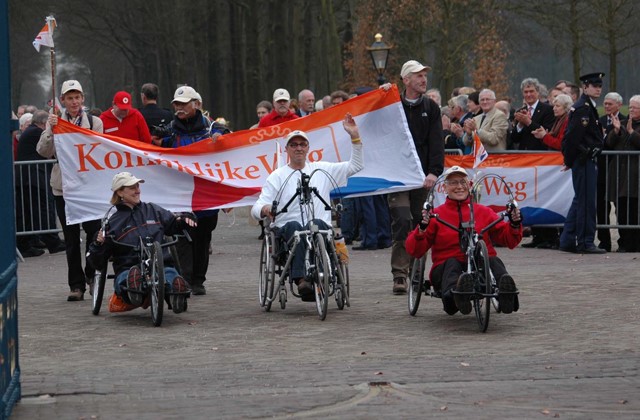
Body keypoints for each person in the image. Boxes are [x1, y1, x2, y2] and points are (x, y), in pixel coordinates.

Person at [251, 114, 363, 300]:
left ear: (308, 148)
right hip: (289, 231)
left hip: (320, 230)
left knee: (317, 223)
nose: (298, 148)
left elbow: (356, 165)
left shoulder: (322, 170)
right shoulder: (277, 176)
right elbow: (257, 207)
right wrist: (265, 209)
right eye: (294, 145)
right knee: (296, 227)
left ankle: (323, 273)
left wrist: (355, 136)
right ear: (287, 149)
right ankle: (301, 279)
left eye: (302, 145)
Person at [405, 166, 522, 315]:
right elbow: (415, 250)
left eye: (462, 182)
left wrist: (514, 224)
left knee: (493, 261)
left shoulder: (483, 212)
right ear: (445, 187)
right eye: (453, 183)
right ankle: (456, 297)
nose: (459, 186)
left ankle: (507, 296)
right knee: (452, 264)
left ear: (470, 185)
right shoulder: (436, 215)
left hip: (480, 265)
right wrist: (421, 228)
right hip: (447, 268)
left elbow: (509, 240)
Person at [153, 85, 226, 295]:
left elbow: (229, 139)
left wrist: (221, 136)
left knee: (203, 239)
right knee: (184, 236)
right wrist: (156, 141)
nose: (180, 108)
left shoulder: (211, 128)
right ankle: (184, 279)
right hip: (180, 194)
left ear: (197, 104)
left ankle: (198, 280)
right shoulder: (170, 130)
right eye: (177, 104)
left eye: (184, 104)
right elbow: (156, 151)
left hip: (206, 194)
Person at [88, 172, 196, 313]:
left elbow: (173, 224)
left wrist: (186, 219)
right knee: (128, 277)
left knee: (170, 276)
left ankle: (176, 292)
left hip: (161, 265)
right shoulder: (112, 223)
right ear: (120, 192)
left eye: (137, 186)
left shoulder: (153, 210)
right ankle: (134, 290)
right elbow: (97, 262)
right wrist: (98, 244)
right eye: (132, 187)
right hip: (128, 266)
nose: (137, 190)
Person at [37, 79, 104, 301]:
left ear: (82, 99)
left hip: (88, 187)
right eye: (69, 98)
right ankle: (76, 285)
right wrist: (51, 130)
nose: (74, 102)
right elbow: (43, 151)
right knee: (71, 238)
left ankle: (91, 273)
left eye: (77, 97)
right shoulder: (54, 122)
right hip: (63, 188)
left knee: (95, 234)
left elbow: (100, 149)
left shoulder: (94, 122)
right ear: (63, 101)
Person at [380, 60, 444, 294]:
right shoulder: (392, 105)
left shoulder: (432, 107)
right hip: (397, 174)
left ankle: (417, 273)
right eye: (417, 76)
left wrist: (434, 171)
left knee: (421, 223)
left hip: (421, 176)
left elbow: (437, 142)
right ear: (406, 80)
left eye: (425, 75)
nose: (423, 79)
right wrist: (380, 95)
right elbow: (370, 119)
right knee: (401, 218)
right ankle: (400, 273)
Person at [559, 72, 607, 254]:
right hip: (584, 160)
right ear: (585, 87)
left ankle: (568, 239)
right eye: (594, 85)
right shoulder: (583, 108)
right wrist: (571, 159)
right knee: (586, 203)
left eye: (600, 85)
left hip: (584, 160)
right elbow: (571, 138)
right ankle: (586, 242)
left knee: (580, 200)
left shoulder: (587, 106)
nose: (598, 88)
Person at [15, 110, 66, 257]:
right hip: (33, 177)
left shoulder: (30, 132)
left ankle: (31, 242)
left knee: (30, 212)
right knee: (43, 209)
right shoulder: (36, 133)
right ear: (44, 123)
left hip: (29, 176)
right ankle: (52, 242)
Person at [606, 95, 640, 252]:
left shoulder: (632, 126)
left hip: (635, 176)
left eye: (634, 108)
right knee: (621, 209)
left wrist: (632, 133)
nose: (631, 110)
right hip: (620, 174)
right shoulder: (623, 122)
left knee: (634, 210)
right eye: (630, 107)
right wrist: (617, 131)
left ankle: (635, 242)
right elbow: (608, 144)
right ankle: (624, 241)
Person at [596, 92, 625, 252]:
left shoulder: (626, 120)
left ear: (619, 105)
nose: (606, 106)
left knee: (621, 208)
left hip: (619, 170)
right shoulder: (598, 122)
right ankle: (604, 241)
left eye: (610, 104)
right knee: (601, 207)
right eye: (605, 103)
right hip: (601, 169)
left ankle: (623, 239)